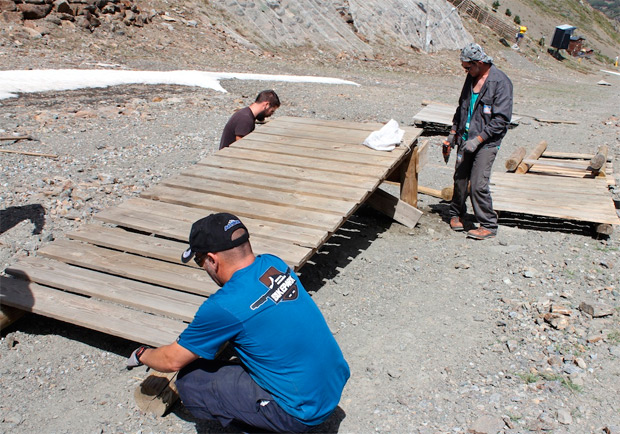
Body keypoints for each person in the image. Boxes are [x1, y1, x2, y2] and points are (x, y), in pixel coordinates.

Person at [127, 212, 350, 433]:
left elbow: (171, 361)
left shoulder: (224, 305)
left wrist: (142, 354)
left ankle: (268, 425)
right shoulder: (274, 263)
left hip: (300, 413)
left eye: (199, 260)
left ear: (213, 260)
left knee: (190, 381)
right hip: (333, 383)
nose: (202, 267)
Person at [443, 43, 513, 240]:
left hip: (486, 142)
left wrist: (478, 140)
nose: (465, 71)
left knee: (478, 184)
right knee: (460, 179)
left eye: (468, 67)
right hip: (466, 138)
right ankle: (456, 214)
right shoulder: (471, 77)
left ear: (480, 63)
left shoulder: (501, 82)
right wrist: (453, 133)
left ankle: (488, 224)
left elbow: (501, 120)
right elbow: (462, 107)